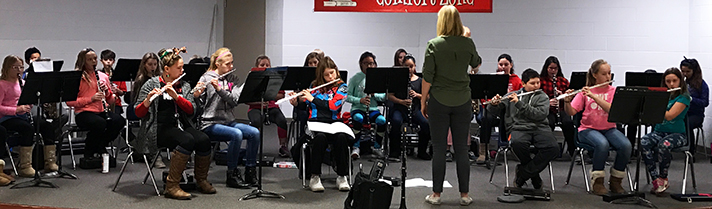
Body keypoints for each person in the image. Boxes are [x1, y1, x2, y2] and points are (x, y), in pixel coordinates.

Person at [134, 48, 214, 199]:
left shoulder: (184, 86)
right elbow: (138, 113)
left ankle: (201, 179)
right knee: (187, 140)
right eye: (179, 68)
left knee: (203, 140)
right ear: (166, 69)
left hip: (181, 125)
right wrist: (147, 101)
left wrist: (177, 97)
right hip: (159, 128)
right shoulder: (151, 84)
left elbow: (192, 110)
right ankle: (172, 185)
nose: (182, 70)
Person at [421, 5, 481, 206]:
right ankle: (464, 195)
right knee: (462, 149)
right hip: (463, 100)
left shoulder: (433, 44)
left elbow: (427, 77)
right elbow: (476, 63)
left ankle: (436, 195)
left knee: (439, 148)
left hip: (439, 100)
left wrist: (423, 101)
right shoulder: (467, 43)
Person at [194, 48, 261, 189]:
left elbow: (234, 100)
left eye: (232, 63)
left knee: (254, 133)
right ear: (218, 64)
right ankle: (232, 173)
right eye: (227, 64)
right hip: (209, 123)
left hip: (228, 121)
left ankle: (250, 170)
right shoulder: (206, 78)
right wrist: (197, 95)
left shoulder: (233, 79)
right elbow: (199, 106)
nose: (231, 67)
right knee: (236, 134)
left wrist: (220, 89)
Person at [563, 59, 631, 195]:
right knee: (602, 145)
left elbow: (612, 110)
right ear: (595, 75)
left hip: (609, 129)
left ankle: (616, 181)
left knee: (626, 145)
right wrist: (566, 101)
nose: (608, 77)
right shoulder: (584, 92)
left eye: (609, 74)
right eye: (604, 74)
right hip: (587, 130)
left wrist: (594, 96)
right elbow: (571, 112)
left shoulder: (613, 91)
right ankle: (597, 181)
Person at [488, 69, 559, 191]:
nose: (536, 86)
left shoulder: (543, 97)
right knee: (517, 144)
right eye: (532, 83)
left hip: (540, 128)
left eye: (538, 82)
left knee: (553, 148)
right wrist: (494, 104)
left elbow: (538, 115)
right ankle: (534, 176)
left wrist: (519, 104)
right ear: (523, 83)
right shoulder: (512, 95)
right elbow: (494, 112)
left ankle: (523, 173)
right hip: (518, 128)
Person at [289, 56, 352, 192]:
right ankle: (315, 176)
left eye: (332, 73)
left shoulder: (342, 87)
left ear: (336, 71)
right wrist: (297, 102)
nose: (330, 77)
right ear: (321, 76)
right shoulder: (314, 86)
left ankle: (342, 176)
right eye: (326, 75)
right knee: (320, 138)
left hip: (334, 124)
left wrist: (313, 99)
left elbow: (334, 106)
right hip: (316, 124)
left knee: (341, 138)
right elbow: (305, 106)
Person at [0, 55, 58, 177]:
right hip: (7, 118)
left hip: (23, 116)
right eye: (15, 67)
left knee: (46, 125)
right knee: (27, 128)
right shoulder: (2, 84)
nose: (19, 70)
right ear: (7, 68)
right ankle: (25, 166)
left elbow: (30, 99)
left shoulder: (24, 83)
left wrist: (32, 102)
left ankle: (50, 162)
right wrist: (16, 109)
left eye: (21, 67)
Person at [66, 48, 126, 162]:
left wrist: (107, 92)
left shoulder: (102, 76)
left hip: (101, 111)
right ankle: (90, 150)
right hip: (83, 113)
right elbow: (69, 102)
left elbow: (111, 101)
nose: (94, 62)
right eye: (90, 59)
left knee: (119, 121)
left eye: (95, 59)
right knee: (99, 124)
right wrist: (90, 99)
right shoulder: (76, 77)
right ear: (83, 61)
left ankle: (100, 145)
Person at [641, 67, 691, 195]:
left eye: (674, 80)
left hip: (678, 134)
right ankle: (655, 179)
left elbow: (669, 116)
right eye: (668, 81)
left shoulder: (684, 97)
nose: (671, 84)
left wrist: (654, 104)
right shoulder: (662, 94)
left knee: (664, 145)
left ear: (680, 81)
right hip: (659, 131)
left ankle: (664, 178)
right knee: (644, 142)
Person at [474, 54, 520, 164]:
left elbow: (520, 96)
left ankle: (510, 148)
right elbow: (486, 97)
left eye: (506, 64)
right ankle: (483, 152)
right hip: (494, 108)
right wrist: (494, 101)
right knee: (486, 119)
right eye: (500, 64)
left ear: (511, 65)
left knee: (508, 118)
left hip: (510, 110)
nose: (503, 67)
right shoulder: (493, 79)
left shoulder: (516, 80)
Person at [388, 55, 431, 160]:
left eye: (411, 66)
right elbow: (389, 95)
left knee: (426, 123)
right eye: (406, 66)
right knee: (396, 121)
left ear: (415, 67)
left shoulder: (420, 80)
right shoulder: (397, 80)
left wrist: (417, 95)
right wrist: (401, 101)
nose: (409, 69)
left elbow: (428, 96)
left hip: (416, 109)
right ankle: (395, 151)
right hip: (400, 108)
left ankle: (422, 151)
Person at [347, 51, 387, 159]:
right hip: (358, 109)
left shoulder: (378, 78)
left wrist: (374, 94)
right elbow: (347, 96)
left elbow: (384, 96)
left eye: (371, 63)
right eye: (366, 63)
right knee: (358, 118)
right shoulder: (355, 79)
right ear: (361, 64)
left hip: (372, 109)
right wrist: (361, 100)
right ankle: (356, 146)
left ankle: (377, 147)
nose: (369, 66)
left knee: (382, 121)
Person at [247, 55, 290, 157]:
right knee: (256, 121)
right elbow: (246, 100)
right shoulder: (252, 79)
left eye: (267, 65)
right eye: (262, 65)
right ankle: (254, 147)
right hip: (256, 107)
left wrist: (269, 95)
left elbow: (281, 95)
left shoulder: (275, 78)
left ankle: (283, 146)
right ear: (257, 66)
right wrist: (259, 101)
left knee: (282, 120)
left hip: (272, 107)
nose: (265, 66)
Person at [539, 56, 576, 157]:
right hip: (548, 110)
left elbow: (572, 97)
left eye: (555, 68)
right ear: (546, 68)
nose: (553, 71)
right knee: (548, 124)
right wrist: (548, 102)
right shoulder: (541, 81)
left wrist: (562, 95)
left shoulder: (563, 81)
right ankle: (548, 151)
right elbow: (537, 98)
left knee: (568, 123)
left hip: (561, 108)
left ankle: (573, 152)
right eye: (551, 68)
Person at [680, 58, 708, 144]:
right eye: (683, 71)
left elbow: (705, 102)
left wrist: (691, 99)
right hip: (682, 112)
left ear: (694, 71)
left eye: (687, 72)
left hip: (695, 115)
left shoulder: (702, 85)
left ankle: (690, 149)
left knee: (687, 123)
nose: (685, 74)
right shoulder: (682, 83)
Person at [100, 49, 126, 114]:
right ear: (101, 61)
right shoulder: (98, 75)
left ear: (114, 61)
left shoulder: (119, 75)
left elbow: (123, 93)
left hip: (116, 104)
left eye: (110, 60)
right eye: (105, 60)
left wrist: (116, 90)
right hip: (101, 104)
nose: (108, 62)